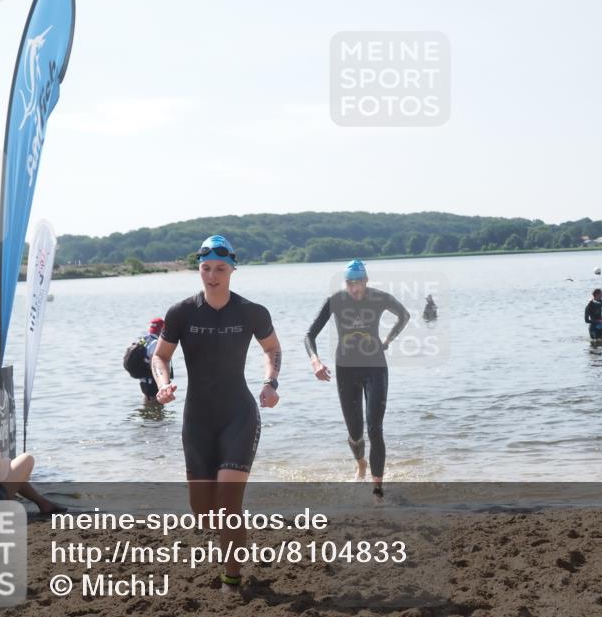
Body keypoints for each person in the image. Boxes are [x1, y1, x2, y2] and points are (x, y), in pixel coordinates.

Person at [150, 235, 281, 594]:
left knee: (227, 499)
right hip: (198, 420)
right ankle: (235, 537)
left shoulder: (252, 312)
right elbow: (160, 356)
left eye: (220, 268)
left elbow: (271, 348)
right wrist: (163, 384)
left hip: (239, 414)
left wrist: (270, 382)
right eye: (206, 268)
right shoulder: (182, 312)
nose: (212, 275)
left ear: (232, 269)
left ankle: (231, 579)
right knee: (204, 511)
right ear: (199, 269)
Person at [304, 259, 411, 500]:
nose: (354, 288)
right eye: (350, 283)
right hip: (346, 369)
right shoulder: (336, 301)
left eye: (358, 282)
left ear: (366, 281)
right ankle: (360, 463)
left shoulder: (379, 297)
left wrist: (388, 340)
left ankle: (377, 489)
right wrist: (316, 361)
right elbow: (309, 335)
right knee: (355, 431)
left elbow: (404, 315)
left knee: (375, 428)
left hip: (375, 367)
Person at [138, 317, 172, 405]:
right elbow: (155, 363)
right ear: (162, 329)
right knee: (157, 406)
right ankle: (156, 417)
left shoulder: (144, 339)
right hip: (153, 381)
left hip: (143, 381)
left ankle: (148, 416)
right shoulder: (156, 343)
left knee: (147, 402)